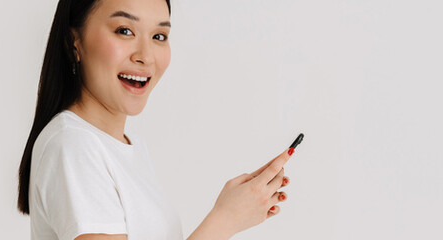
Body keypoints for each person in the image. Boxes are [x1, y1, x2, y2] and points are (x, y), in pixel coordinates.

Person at [17, 0, 293, 239]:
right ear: (72, 41)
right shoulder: (74, 146)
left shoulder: (125, 145)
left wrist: (234, 211)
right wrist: (225, 220)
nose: (145, 56)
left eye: (159, 36)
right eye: (124, 31)